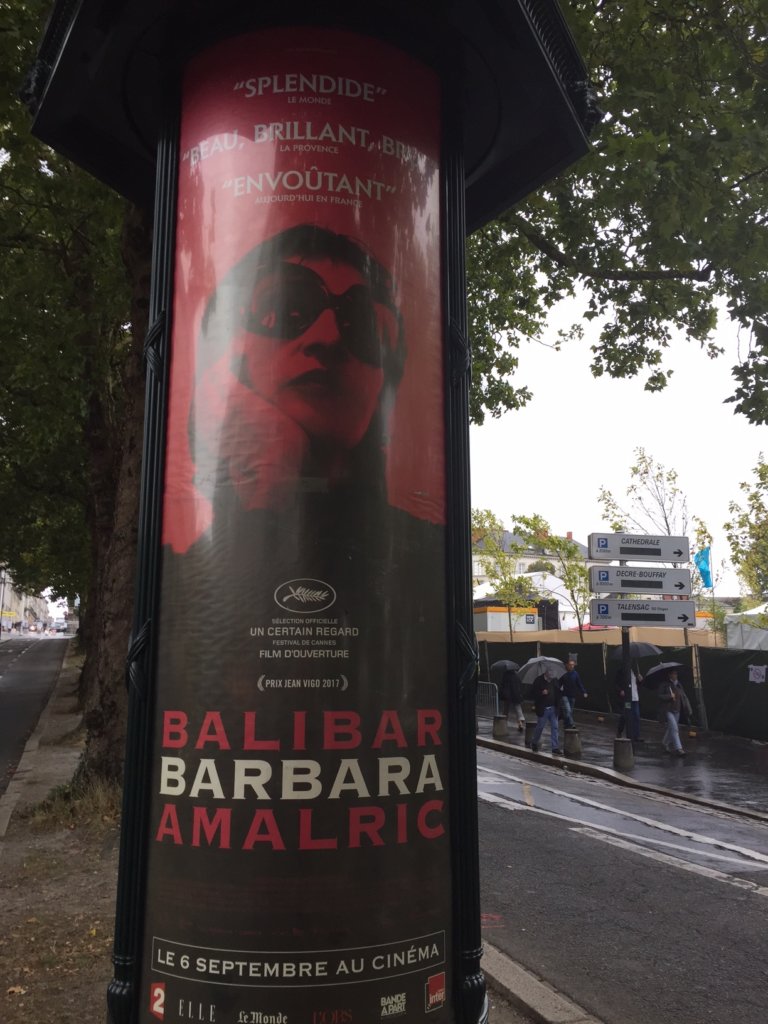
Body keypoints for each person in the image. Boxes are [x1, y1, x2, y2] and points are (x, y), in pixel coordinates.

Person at [658, 667, 692, 756]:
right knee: (674, 728)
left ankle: (664, 743)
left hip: (677, 710)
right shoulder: (664, 684)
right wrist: (670, 696)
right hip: (668, 710)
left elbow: (683, 696)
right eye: (673, 674)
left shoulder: (679, 685)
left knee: (671, 728)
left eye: (676, 674)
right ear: (669, 675)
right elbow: (660, 696)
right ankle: (679, 748)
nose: (675, 675)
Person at [530, 669, 562, 754]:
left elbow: (558, 693)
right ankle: (534, 742)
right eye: (550, 674)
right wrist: (541, 693)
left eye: (552, 674)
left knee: (555, 727)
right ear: (546, 673)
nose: (551, 676)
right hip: (543, 708)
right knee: (540, 727)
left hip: (553, 708)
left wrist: (560, 691)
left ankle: (555, 747)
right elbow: (532, 693)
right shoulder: (538, 680)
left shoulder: (555, 680)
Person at [491, 661, 526, 731]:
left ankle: (504, 723)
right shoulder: (517, 675)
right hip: (516, 695)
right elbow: (520, 685)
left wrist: (502, 694)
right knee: (518, 709)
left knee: (506, 710)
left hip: (508, 695)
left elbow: (503, 686)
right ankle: (520, 723)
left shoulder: (506, 675)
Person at [614, 664, 642, 742]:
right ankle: (620, 731)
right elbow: (616, 683)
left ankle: (636, 736)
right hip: (627, 699)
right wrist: (620, 690)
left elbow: (638, 685)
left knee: (636, 715)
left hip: (635, 698)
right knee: (625, 715)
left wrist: (640, 680)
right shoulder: (621, 671)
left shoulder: (635, 671)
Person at [559, 657, 587, 728]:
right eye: (570, 665)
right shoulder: (563, 673)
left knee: (569, 712)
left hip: (572, 696)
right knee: (568, 711)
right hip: (564, 695)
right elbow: (559, 683)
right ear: (567, 665)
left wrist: (584, 692)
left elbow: (579, 683)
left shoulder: (575, 674)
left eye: (573, 665)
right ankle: (572, 724)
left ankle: (566, 724)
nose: (571, 666)